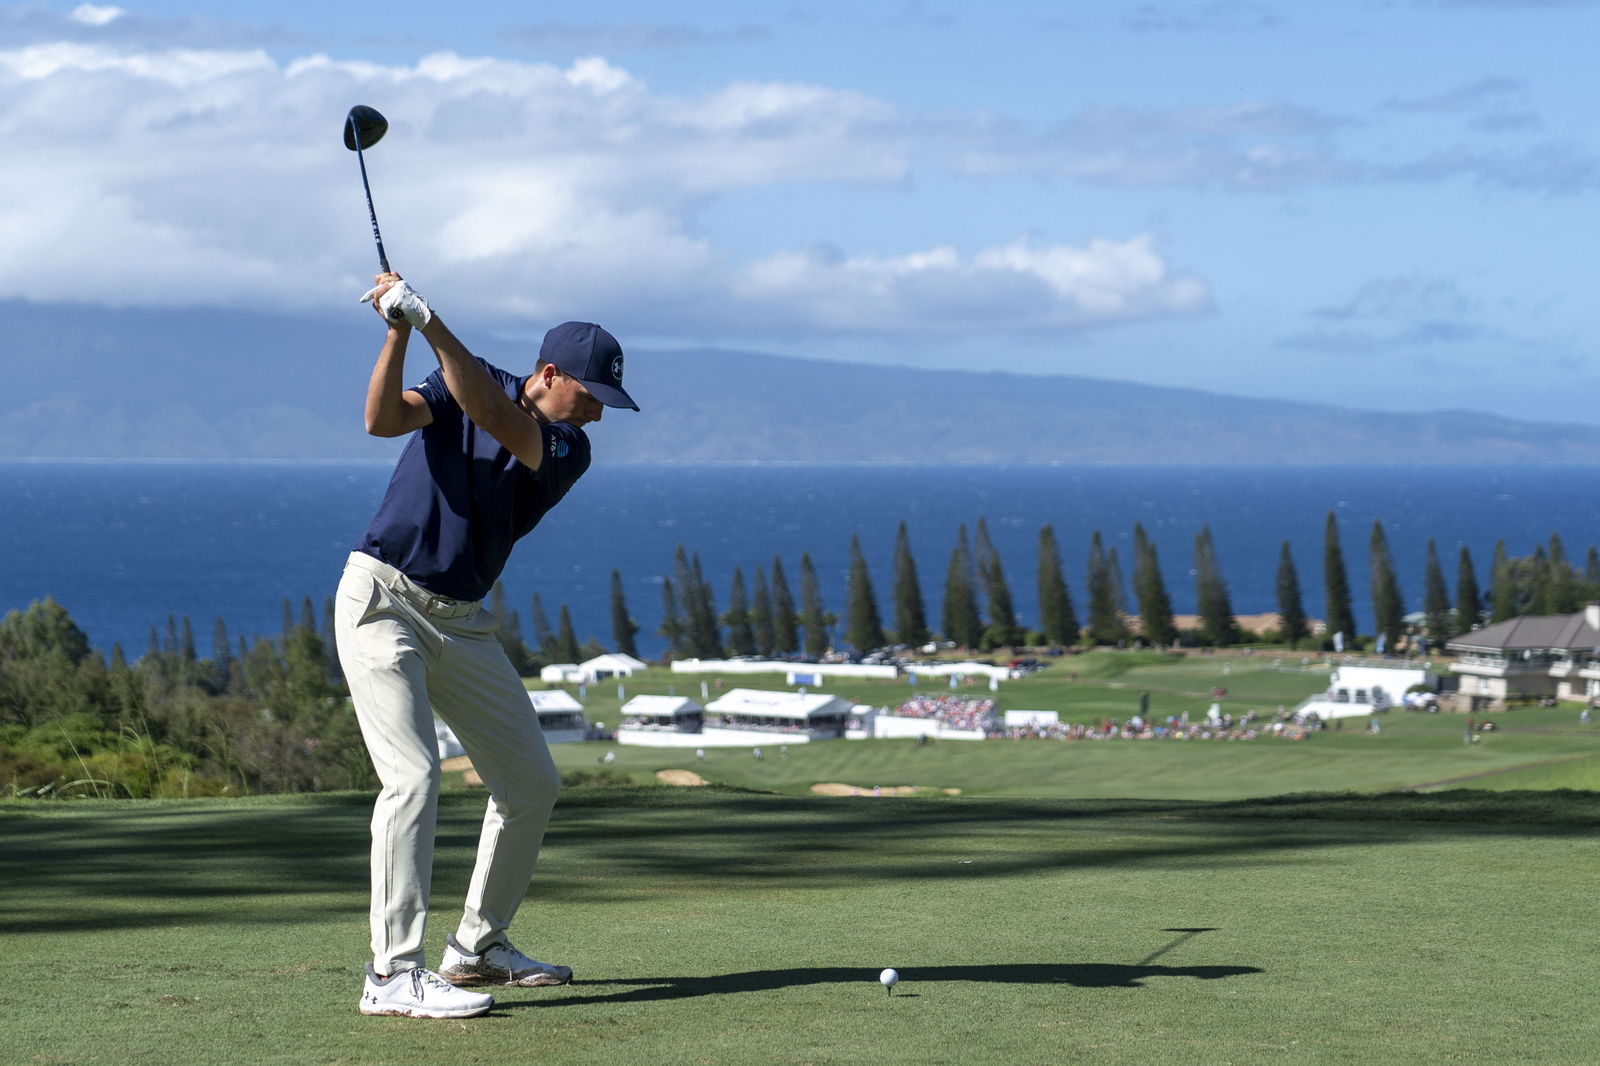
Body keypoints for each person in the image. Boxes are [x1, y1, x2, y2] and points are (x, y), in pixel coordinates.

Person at [335, 273, 638, 1019]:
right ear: (550, 374)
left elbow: (497, 418)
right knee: (413, 778)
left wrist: (430, 318)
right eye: (592, 393)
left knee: (530, 782)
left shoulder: (567, 446)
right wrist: (399, 332)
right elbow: (381, 421)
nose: (599, 411)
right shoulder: (466, 379)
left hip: (462, 621)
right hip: (382, 601)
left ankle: (475, 949)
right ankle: (392, 974)